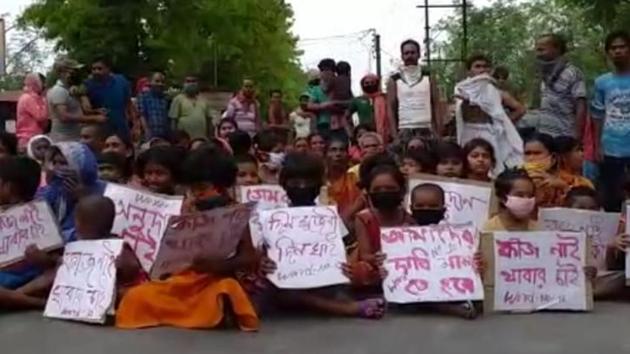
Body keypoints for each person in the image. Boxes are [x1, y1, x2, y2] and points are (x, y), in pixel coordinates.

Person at [117, 147, 259, 330]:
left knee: (227, 288)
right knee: (137, 297)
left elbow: (249, 257)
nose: (196, 193)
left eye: (201, 188)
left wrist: (218, 266)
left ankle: (216, 312)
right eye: (192, 188)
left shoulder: (236, 214)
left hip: (214, 281)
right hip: (181, 282)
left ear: (221, 187)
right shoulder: (184, 208)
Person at [259, 152, 386, 319]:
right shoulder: (272, 216)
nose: (302, 187)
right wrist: (263, 262)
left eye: (308, 182)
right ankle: (346, 309)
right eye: (295, 183)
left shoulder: (327, 216)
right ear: (284, 184)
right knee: (281, 292)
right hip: (285, 282)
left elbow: (344, 248)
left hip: (324, 282)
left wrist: (348, 265)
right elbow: (260, 251)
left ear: (319, 185)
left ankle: (336, 305)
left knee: (339, 289)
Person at [455, 54, 524, 175]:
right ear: (469, 71)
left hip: (489, 133)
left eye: (485, 66)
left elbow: (520, 109)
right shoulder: (460, 89)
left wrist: (505, 124)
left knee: (491, 168)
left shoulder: (496, 91)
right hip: (468, 131)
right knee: (468, 166)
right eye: (477, 66)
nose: (482, 70)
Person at [0, 157, 54, 310]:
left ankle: (14, 298)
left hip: (31, 281)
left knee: (57, 272)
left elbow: (54, 261)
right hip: (9, 281)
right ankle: (30, 301)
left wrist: (43, 260)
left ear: (7, 187)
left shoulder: (41, 215)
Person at [73, 195, 146, 300]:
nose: (76, 226)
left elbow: (133, 267)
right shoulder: (78, 246)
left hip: (114, 296)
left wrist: (116, 267)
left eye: (78, 221)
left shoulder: (118, 248)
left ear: (84, 225)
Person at [353, 162, 414, 286]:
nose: (384, 192)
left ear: (402, 191)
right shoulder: (364, 218)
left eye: (390, 189)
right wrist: (381, 259)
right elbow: (365, 255)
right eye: (377, 189)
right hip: (374, 273)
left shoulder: (409, 218)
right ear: (369, 192)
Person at [592, 30, 630, 212]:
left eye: (622, 46)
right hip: (611, 147)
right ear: (608, 52)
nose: (618, 51)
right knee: (611, 196)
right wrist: (598, 145)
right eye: (613, 48)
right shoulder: (602, 82)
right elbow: (597, 115)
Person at [37, 142, 106, 241]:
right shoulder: (52, 190)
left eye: (63, 163)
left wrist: (84, 200)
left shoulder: (103, 191)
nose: (57, 168)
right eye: (54, 163)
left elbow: (97, 231)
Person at [387, 39, 442, 144]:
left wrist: (438, 132)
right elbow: (391, 108)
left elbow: (436, 104)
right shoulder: (394, 79)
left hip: (426, 129)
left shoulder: (429, 76)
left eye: (413, 52)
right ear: (402, 56)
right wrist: (395, 135)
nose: (409, 56)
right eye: (406, 53)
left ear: (419, 54)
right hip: (404, 129)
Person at [535, 33, 588, 138]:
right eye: (537, 50)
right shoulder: (545, 75)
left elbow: (581, 106)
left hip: (564, 136)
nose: (538, 54)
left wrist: (576, 136)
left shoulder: (572, 73)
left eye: (542, 50)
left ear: (557, 49)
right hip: (544, 136)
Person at [524, 133, 592, 208]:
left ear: (553, 158)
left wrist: (564, 187)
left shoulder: (578, 182)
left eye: (537, 153)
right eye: (527, 153)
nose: (531, 158)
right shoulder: (518, 178)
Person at [48, 56, 106, 142]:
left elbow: (77, 110)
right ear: (62, 73)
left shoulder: (70, 89)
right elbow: (63, 116)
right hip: (64, 140)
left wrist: (95, 111)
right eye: (73, 70)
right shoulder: (59, 91)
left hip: (73, 137)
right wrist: (94, 118)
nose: (76, 73)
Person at [84, 56, 134, 140]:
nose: (96, 72)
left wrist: (135, 125)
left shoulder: (121, 81)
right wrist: (95, 111)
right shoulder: (87, 85)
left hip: (121, 126)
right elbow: (85, 109)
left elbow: (129, 103)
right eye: (93, 69)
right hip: (100, 128)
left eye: (100, 69)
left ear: (108, 69)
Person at [346, 74, 390, 142]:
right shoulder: (358, 100)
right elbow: (346, 117)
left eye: (372, 82)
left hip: (384, 133)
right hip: (365, 133)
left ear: (377, 84)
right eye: (367, 83)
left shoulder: (385, 98)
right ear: (362, 85)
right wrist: (351, 132)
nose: (369, 85)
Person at [326, 138, 362, 220]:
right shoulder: (319, 181)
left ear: (348, 155)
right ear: (326, 154)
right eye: (333, 150)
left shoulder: (356, 178)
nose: (338, 154)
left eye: (342, 150)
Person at [308, 59, 339, 139]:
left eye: (328, 70)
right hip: (322, 125)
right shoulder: (316, 89)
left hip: (339, 125)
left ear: (333, 72)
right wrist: (323, 106)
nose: (325, 73)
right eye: (322, 70)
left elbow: (350, 103)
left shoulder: (341, 87)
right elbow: (310, 105)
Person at [16, 73, 48, 151]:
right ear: (36, 84)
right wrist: (44, 102)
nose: (45, 86)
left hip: (30, 138)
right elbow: (41, 117)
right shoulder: (28, 98)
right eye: (43, 83)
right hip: (29, 139)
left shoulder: (31, 97)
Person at [136, 71, 170, 141]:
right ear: (150, 82)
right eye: (157, 81)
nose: (160, 84)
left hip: (165, 135)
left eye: (162, 82)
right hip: (149, 134)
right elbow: (141, 115)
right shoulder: (144, 96)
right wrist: (147, 131)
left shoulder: (166, 98)